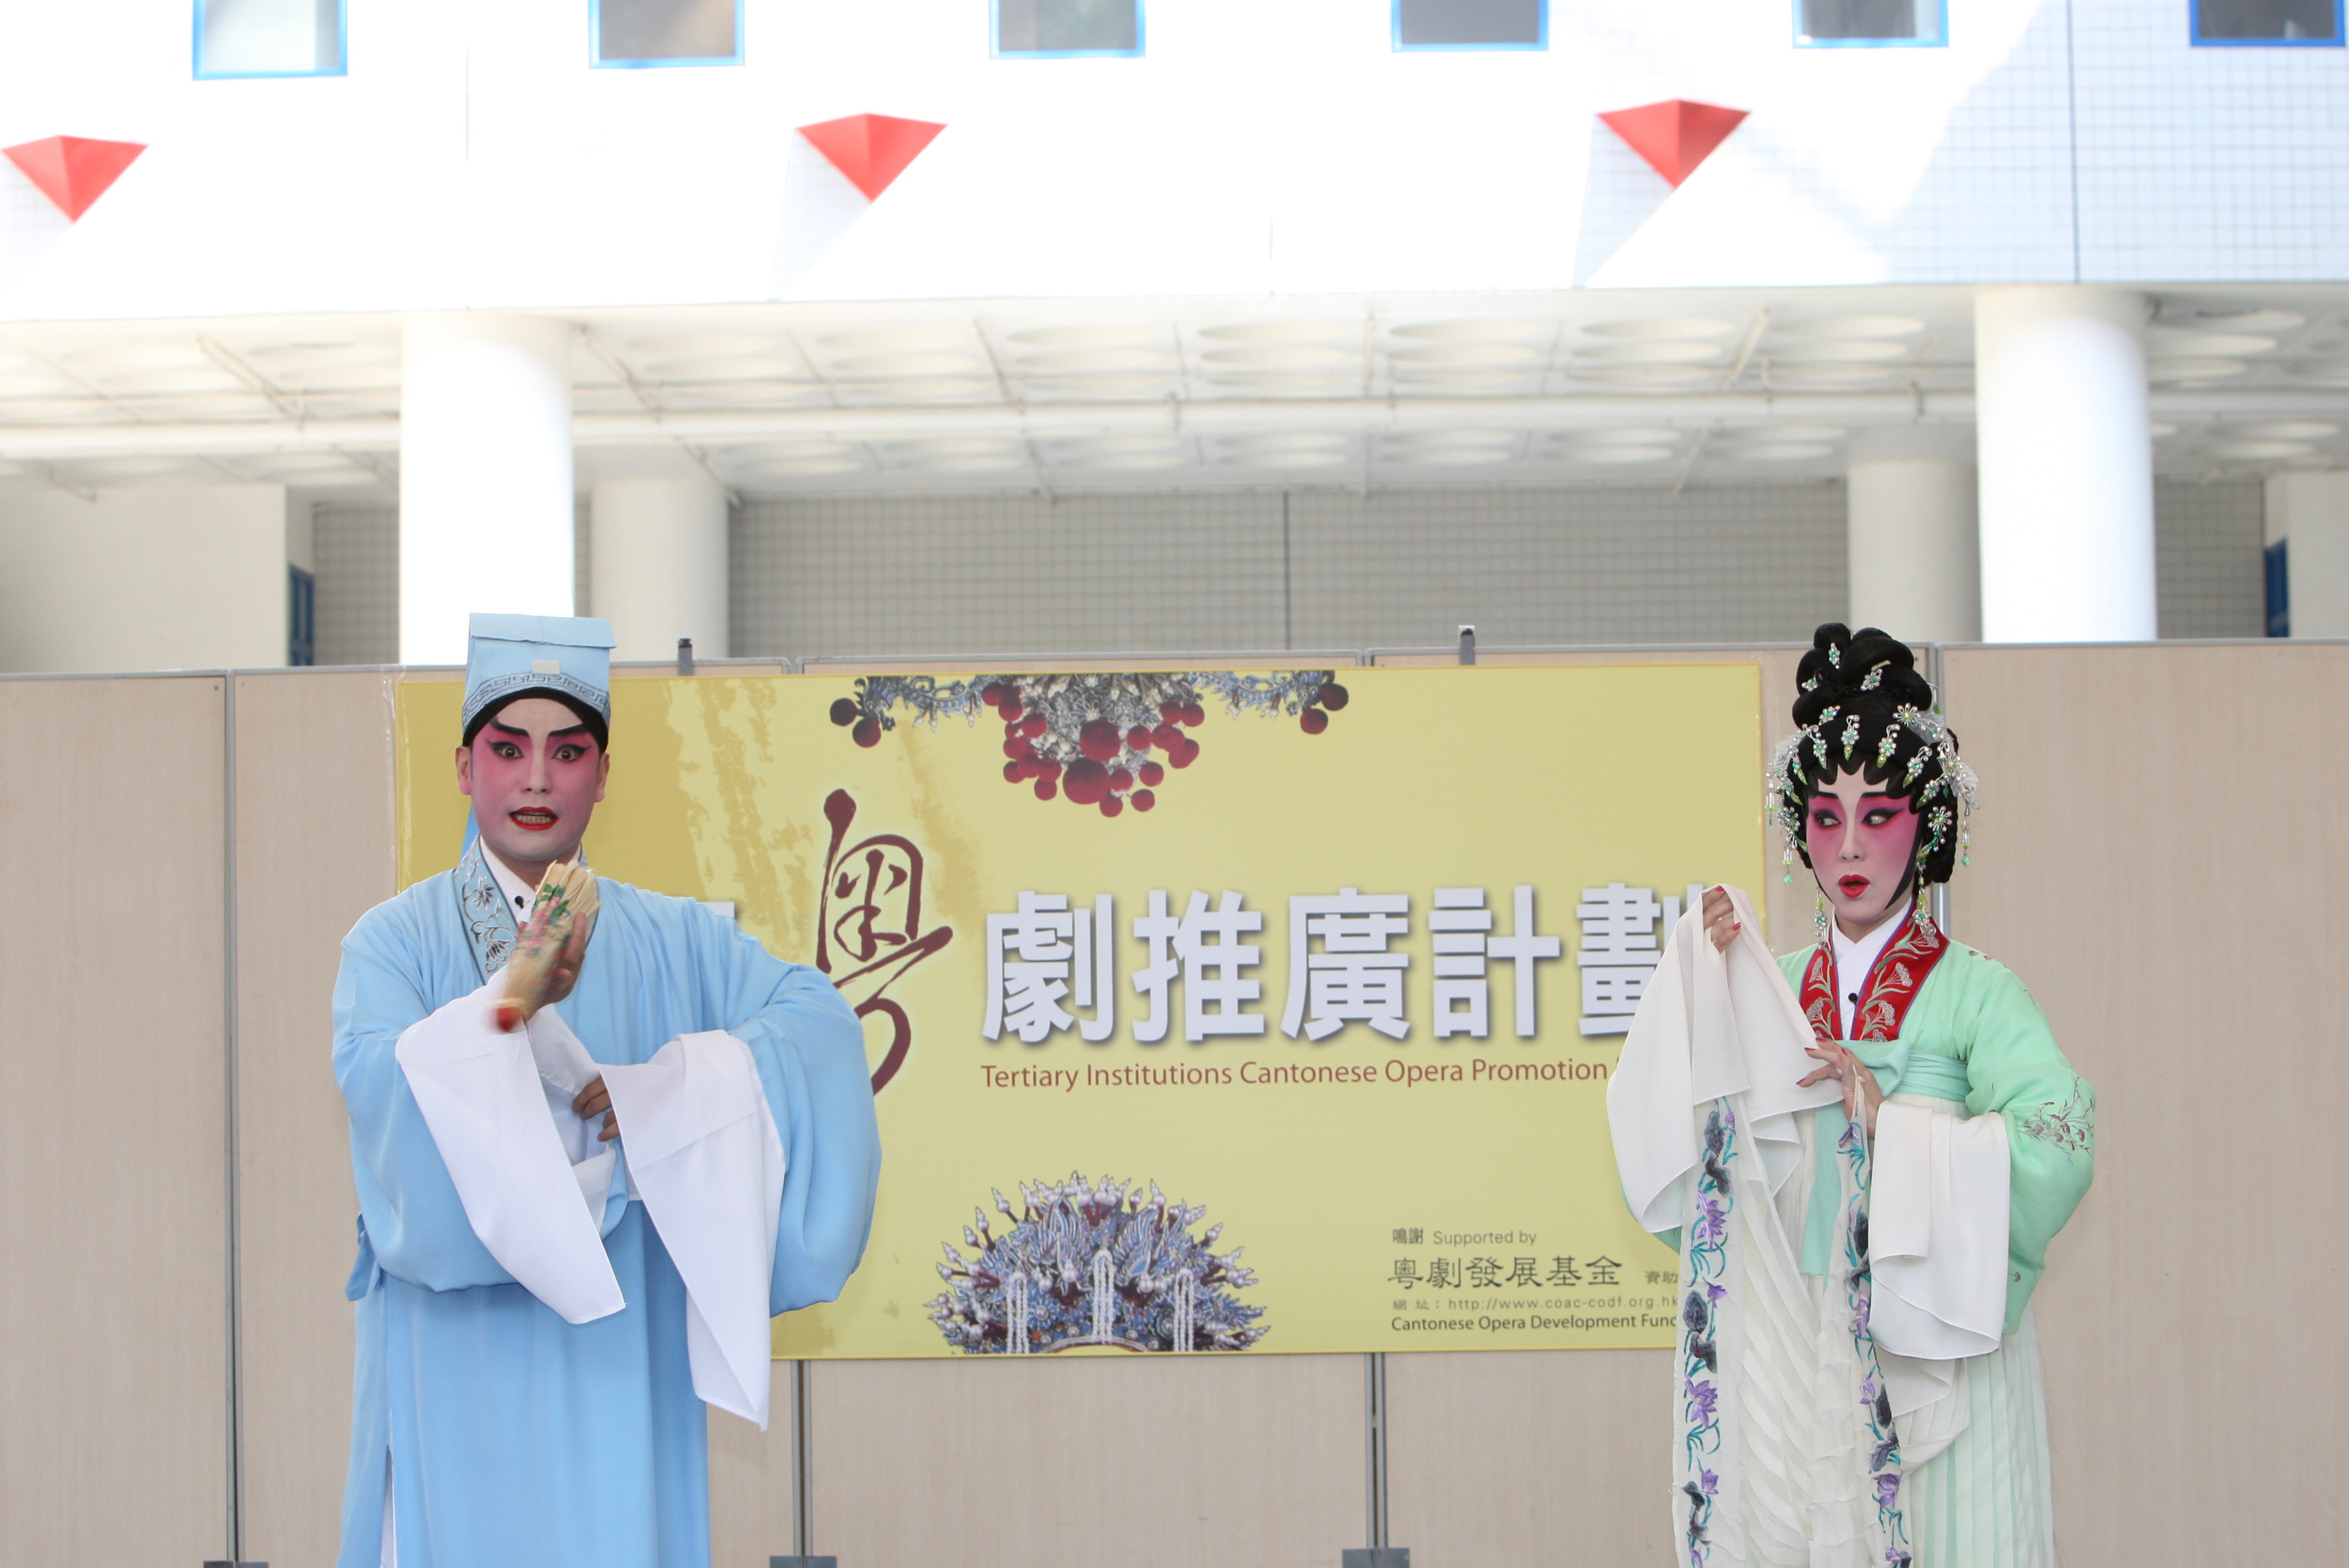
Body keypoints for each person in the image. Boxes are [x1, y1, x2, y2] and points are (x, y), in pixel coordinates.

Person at [331, 613, 882, 1568]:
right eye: (508, 748)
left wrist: (668, 1096)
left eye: (568, 750)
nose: (537, 778)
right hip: (457, 1362)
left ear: (603, 772)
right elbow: (383, 1096)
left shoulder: (678, 938)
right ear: (463, 766)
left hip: (623, 1354)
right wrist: (506, 1005)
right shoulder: (393, 941)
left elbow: (817, 1025)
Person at [1609, 623, 2094, 1568]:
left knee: (1960, 1537)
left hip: (1940, 1328)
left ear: (1929, 822)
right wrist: (1700, 991)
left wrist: (1893, 1125)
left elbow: (2057, 1143)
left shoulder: (1978, 991)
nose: (1850, 844)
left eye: (1879, 813)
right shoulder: (1774, 984)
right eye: (1826, 817)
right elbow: (1696, 1161)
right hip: (1796, 1329)